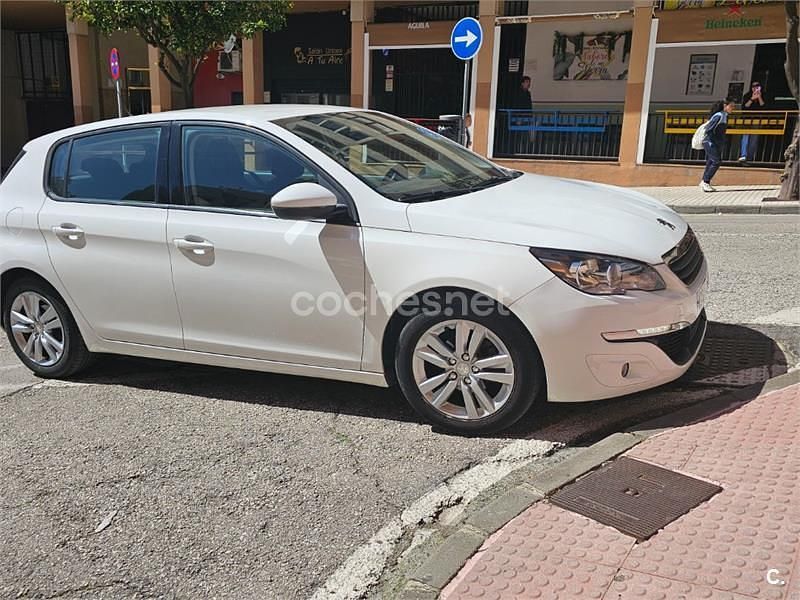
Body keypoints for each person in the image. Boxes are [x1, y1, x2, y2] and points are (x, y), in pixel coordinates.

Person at [700, 97, 736, 192]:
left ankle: (704, 181)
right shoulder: (719, 115)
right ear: (725, 106)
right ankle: (705, 181)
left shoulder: (724, 115)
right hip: (710, 142)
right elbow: (708, 129)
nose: (733, 108)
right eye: (731, 106)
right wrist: (712, 142)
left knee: (710, 162)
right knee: (716, 161)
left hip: (714, 143)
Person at [738, 81, 766, 163]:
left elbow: (764, 107)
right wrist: (752, 99)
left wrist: (759, 97)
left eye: (757, 86)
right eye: (753, 86)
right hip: (747, 119)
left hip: (757, 120)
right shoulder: (747, 95)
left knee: (754, 139)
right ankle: (743, 155)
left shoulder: (763, 95)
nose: (755, 88)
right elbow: (744, 107)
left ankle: (750, 157)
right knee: (745, 137)